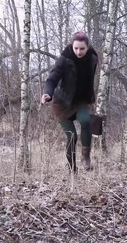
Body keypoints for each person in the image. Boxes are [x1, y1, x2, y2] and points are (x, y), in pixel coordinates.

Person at [41, 31, 98, 173]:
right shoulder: (64, 60)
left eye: (82, 49)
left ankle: (86, 158)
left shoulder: (93, 58)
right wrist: (47, 93)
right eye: (76, 48)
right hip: (62, 104)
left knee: (86, 121)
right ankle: (72, 168)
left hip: (80, 101)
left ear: (87, 47)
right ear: (72, 46)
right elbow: (52, 79)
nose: (79, 52)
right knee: (71, 134)